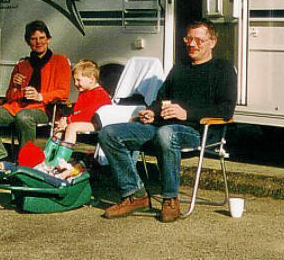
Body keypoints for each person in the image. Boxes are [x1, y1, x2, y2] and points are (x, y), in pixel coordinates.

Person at [99, 19, 237, 222]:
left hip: (198, 131)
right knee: (108, 133)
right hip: (161, 126)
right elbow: (161, 98)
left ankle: (170, 199)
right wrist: (152, 112)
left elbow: (226, 110)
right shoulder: (180, 67)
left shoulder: (222, 69)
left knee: (167, 133)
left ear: (213, 42)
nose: (191, 44)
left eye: (198, 40)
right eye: (188, 39)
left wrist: (186, 113)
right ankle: (135, 194)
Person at [0, 20, 71, 165]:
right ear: (28, 42)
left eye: (42, 38)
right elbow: (9, 97)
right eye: (33, 39)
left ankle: (26, 162)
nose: (38, 42)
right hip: (16, 108)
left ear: (48, 39)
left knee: (24, 117)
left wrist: (41, 96)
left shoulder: (59, 61)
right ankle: (2, 157)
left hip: (43, 109)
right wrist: (15, 86)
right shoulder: (22, 64)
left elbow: (64, 93)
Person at [37, 59, 111, 172]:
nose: (76, 84)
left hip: (97, 122)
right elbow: (78, 110)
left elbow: (88, 113)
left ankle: (59, 160)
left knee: (72, 127)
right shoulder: (84, 92)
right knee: (60, 128)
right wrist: (65, 119)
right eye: (74, 80)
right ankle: (46, 158)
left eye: (78, 80)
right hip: (86, 121)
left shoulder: (99, 94)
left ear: (91, 79)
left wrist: (69, 121)